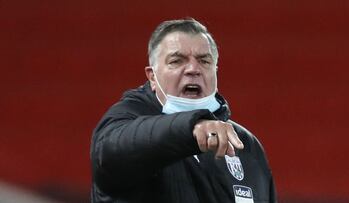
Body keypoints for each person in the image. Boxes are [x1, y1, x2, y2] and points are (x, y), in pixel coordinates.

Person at [90, 18, 277, 203]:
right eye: (177, 61)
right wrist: (190, 127)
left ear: (216, 71)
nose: (193, 69)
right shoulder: (124, 122)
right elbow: (111, 153)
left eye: (204, 61)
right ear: (152, 77)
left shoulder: (245, 145)